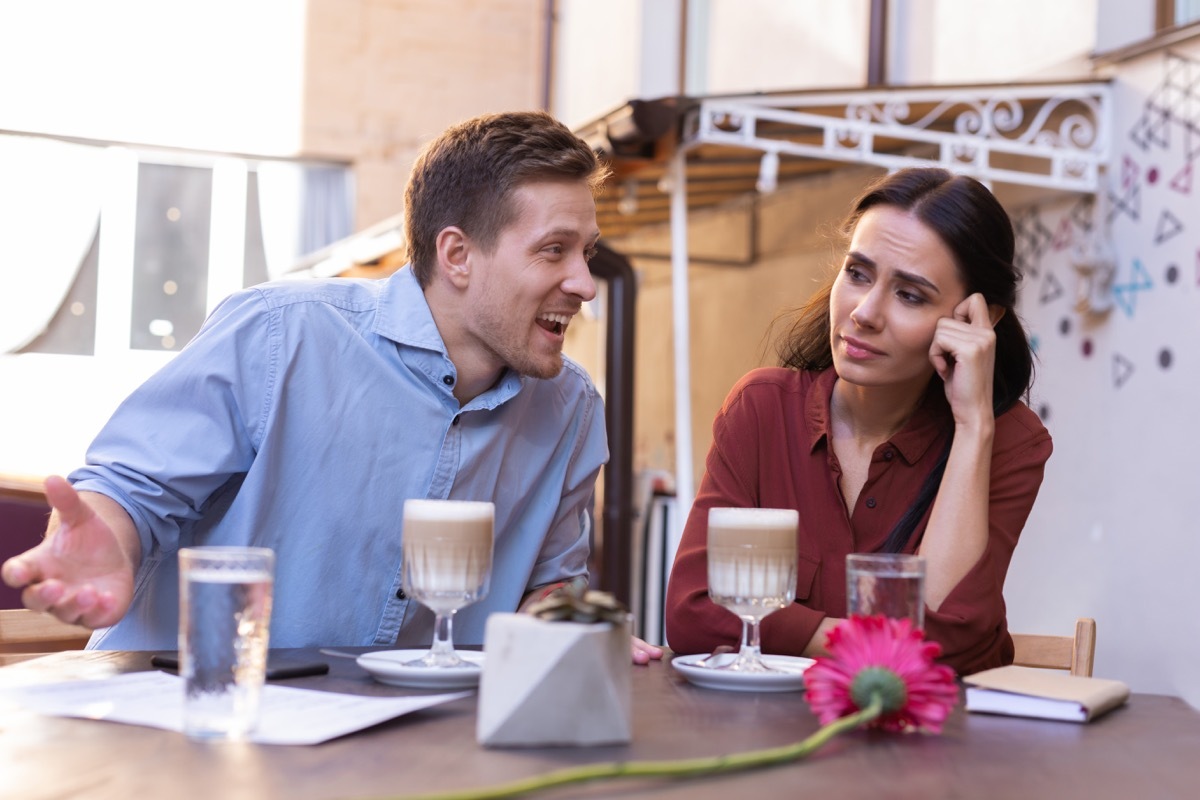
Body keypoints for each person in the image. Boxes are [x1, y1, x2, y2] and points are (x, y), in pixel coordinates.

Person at [2, 110, 662, 664]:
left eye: (586, 252)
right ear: (457, 255)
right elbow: (129, 494)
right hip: (186, 727)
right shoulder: (278, 336)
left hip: (400, 753)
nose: (584, 282)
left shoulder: (571, 409)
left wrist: (569, 623)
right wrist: (107, 546)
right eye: (554, 251)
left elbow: (546, 587)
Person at [664, 167, 1052, 676]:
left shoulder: (1009, 443)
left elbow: (948, 638)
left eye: (910, 295)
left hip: (934, 747)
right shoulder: (761, 410)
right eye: (857, 273)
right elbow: (693, 612)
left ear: (978, 319)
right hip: (769, 738)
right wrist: (879, 641)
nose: (865, 312)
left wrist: (973, 426)